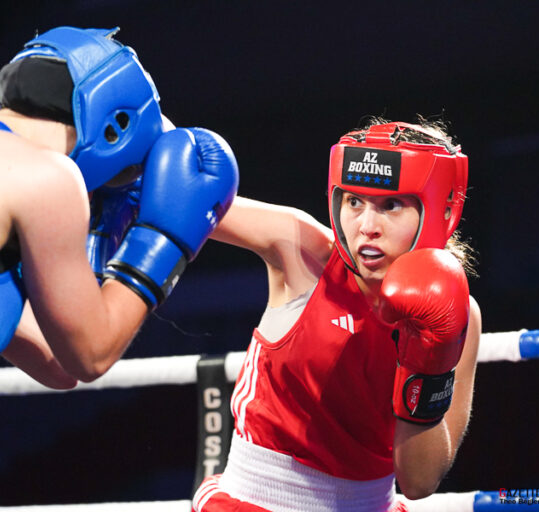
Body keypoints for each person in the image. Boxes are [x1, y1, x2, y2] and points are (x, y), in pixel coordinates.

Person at [0, 26, 238, 511]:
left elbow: (59, 361)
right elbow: (91, 353)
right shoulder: (46, 175)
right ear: (116, 126)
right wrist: (164, 239)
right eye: (127, 172)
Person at [192, 118, 481, 512]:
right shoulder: (303, 251)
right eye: (354, 202)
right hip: (255, 501)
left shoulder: (460, 315)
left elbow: (418, 481)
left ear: (439, 211)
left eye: (391, 205)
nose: (366, 227)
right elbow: (186, 195)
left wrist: (428, 360)